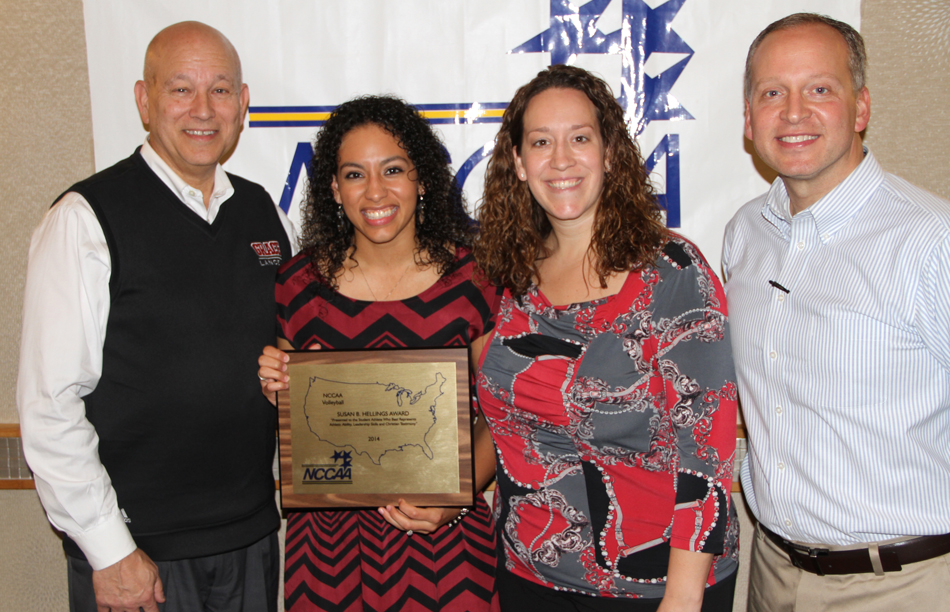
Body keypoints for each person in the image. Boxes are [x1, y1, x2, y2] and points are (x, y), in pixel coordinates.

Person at [16, 21, 294, 612]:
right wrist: (110, 550)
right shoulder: (86, 217)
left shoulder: (262, 212)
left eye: (221, 90)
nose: (203, 109)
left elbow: (295, 355)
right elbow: (49, 403)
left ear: (243, 104)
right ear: (145, 101)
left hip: (249, 536)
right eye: (180, 89)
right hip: (139, 552)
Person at [474, 64, 739, 611]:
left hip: (650, 587)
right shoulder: (512, 275)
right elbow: (503, 425)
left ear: (610, 153)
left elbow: (705, 450)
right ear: (519, 163)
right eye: (541, 142)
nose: (562, 159)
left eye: (580, 138)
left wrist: (683, 598)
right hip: (529, 574)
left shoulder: (670, 272)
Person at [723, 13, 950, 611]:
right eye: (772, 93)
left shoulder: (931, 243)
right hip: (771, 573)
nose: (793, 112)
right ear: (748, 119)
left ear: (862, 107)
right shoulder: (745, 234)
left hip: (904, 584)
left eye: (820, 89)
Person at [257, 95, 501, 611]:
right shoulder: (297, 285)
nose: (375, 191)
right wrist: (277, 385)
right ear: (333, 188)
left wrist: (452, 502)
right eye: (353, 174)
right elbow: (297, 423)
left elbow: (505, 419)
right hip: (328, 557)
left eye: (393, 169)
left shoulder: (475, 280)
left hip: (448, 551)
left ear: (423, 179)